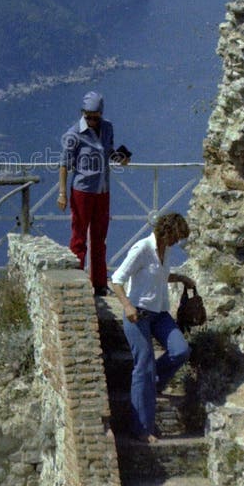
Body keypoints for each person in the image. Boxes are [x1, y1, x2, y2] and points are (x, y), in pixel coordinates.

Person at [111, 212, 195, 443]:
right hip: (137, 314)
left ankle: (154, 383)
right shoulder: (142, 248)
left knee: (181, 350)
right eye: (175, 237)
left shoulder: (165, 250)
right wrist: (127, 306)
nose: (176, 243)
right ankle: (142, 429)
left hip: (160, 314)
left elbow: (160, 275)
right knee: (143, 366)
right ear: (166, 232)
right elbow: (116, 279)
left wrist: (180, 278)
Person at [58, 91, 130, 295]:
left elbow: (109, 152)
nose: (90, 119)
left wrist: (121, 158)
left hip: (102, 190)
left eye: (94, 116)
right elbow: (64, 165)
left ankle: (99, 283)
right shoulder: (73, 134)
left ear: (101, 113)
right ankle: (77, 281)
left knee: (99, 238)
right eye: (86, 115)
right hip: (83, 191)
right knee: (79, 238)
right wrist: (62, 193)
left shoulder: (107, 128)